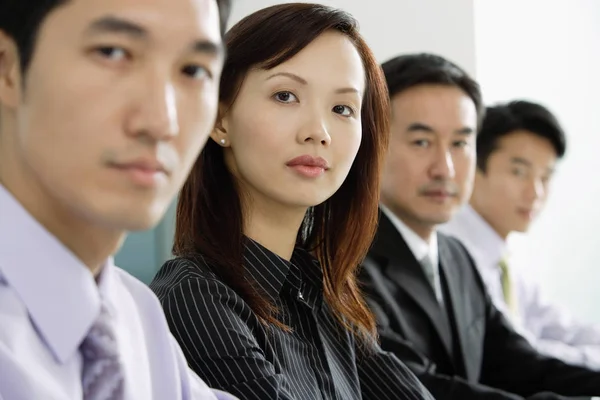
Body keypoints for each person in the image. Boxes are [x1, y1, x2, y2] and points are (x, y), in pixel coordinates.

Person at [149, 3, 434, 400]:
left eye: (342, 109)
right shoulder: (195, 297)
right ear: (219, 118)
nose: (319, 132)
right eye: (285, 95)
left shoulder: (325, 294)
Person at [0, 0, 237, 399]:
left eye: (194, 70)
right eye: (112, 53)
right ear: (7, 67)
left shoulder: (133, 314)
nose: (163, 121)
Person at [359, 53, 600, 399]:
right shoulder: (346, 259)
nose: (445, 168)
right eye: (421, 142)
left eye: (459, 144)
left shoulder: (456, 256)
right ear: (372, 143)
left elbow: (516, 363)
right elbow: (416, 386)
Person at [441, 100, 600, 369]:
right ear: (473, 168)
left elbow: (558, 326)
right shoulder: (452, 250)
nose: (535, 193)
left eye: (545, 178)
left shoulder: (503, 256)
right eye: (519, 172)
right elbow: (519, 353)